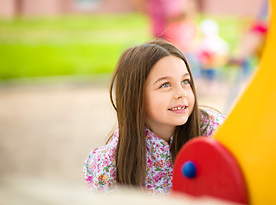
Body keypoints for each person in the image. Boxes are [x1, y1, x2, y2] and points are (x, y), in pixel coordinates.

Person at [83, 40, 225, 194]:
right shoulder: (110, 164)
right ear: (135, 96)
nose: (181, 93)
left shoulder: (216, 131)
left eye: (185, 81)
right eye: (165, 85)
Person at [130, 0, 198, 53]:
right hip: (159, 25)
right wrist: (145, 10)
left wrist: (186, 5)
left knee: (178, 49)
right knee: (160, 50)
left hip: (176, 25)